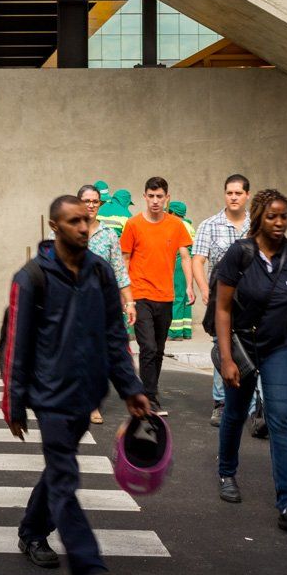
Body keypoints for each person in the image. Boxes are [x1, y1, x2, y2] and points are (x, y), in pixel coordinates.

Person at [4, 194, 150, 575]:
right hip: (49, 396)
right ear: (54, 226)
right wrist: (14, 402)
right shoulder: (31, 277)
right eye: (73, 222)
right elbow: (16, 343)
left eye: (85, 220)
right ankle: (90, 569)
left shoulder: (100, 272)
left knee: (58, 469)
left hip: (87, 392)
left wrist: (131, 387)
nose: (84, 228)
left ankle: (32, 531)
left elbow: (114, 335)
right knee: (65, 478)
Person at [213, 188, 287, 532]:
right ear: (259, 217)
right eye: (272, 216)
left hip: (280, 346)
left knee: (281, 419)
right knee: (235, 411)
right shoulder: (240, 254)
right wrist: (226, 358)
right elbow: (223, 309)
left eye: (284, 216)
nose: (279, 222)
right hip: (243, 346)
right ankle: (227, 472)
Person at [120, 176, 194, 415]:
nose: (155, 201)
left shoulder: (176, 225)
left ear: (166, 198)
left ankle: (148, 390)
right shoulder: (133, 225)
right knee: (149, 347)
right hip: (140, 294)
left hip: (165, 297)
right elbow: (124, 260)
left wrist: (190, 286)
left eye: (159, 196)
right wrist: (126, 297)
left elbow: (185, 257)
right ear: (144, 197)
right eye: (150, 196)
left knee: (159, 350)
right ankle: (149, 399)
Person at [192, 174, 259, 430]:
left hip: (252, 300)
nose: (233, 197)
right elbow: (198, 260)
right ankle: (221, 403)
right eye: (229, 193)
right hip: (222, 298)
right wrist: (204, 289)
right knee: (222, 347)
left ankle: (254, 408)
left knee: (252, 348)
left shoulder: (257, 225)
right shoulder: (209, 225)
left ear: (247, 195)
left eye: (238, 193)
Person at [78, 183, 133, 426]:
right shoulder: (66, 231)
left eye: (95, 201)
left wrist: (129, 302)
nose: (91, 205)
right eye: (86, 201)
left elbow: (119, 272)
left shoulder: (109, 235)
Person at [168, 200, 197, 341]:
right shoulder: (189, 226)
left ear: (173, 213)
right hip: (190, 262)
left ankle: (175, 332)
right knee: (187, 295)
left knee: (177, 296)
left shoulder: (176, 224)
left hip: (179, 261)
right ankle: (186, 330)